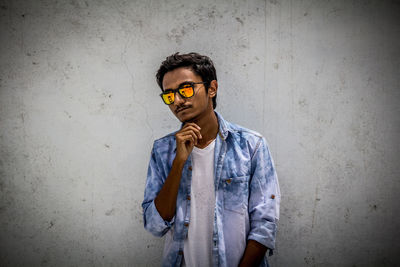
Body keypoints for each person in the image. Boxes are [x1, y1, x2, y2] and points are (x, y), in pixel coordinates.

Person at [142, 52, 281, 267]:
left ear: (212, 88)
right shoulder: (162, 150)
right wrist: (179, 162)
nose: (177, 100)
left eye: (185, 89)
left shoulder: (251, 146)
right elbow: (154, 225)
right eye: (169, 95)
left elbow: (265, 224)